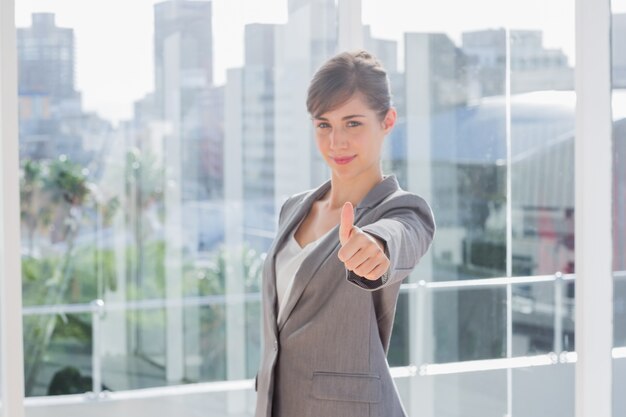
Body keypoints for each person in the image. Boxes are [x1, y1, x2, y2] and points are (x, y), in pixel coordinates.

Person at [254, 50, 436, 417]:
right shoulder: (294, 208)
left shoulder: (401, 210)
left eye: (352, 124)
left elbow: (401, 236)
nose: (336, 142)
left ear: (387, 121)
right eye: (324, 124)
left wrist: (376, 246)